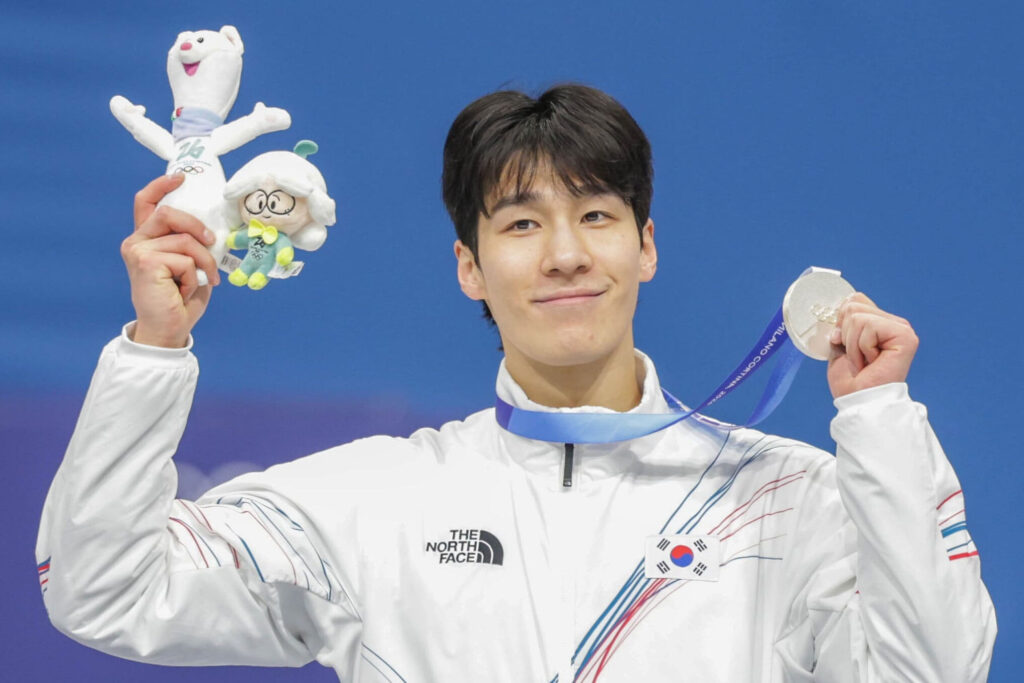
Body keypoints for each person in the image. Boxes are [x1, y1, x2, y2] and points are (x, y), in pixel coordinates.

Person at [37, 84, 996, 681]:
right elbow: (104, 590)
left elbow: (937, 672)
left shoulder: (793, 497)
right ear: (470, 266)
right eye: (523, 224)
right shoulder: (374, 500)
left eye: (597, 215)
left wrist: (880, 423)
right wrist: (152, 351)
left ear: (646, 246)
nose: (566, 254)